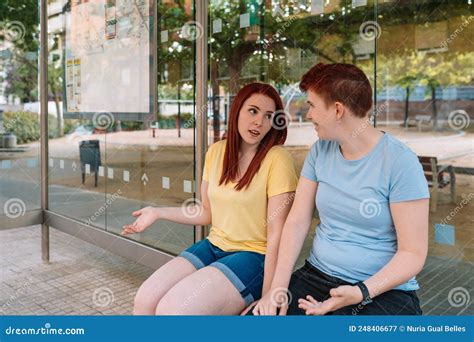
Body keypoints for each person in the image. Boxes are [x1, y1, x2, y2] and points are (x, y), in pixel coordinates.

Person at [251, 63, 429, 316]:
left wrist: (361, 291)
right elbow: (297, 221)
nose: (308, 114)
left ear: (337, 110)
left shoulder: (401, 163)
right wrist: (276, 289)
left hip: (382, 293)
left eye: (312, 105)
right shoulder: (319, 151)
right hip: (317, 278)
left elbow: (413, 253)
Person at [122, 82, 298, 315]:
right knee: (145, 299)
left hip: (254, 256)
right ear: (237, 110)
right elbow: (206, 212)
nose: (259, 122)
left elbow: (278, 233)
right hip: (214, 246)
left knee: (173, 310)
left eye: (268, 116)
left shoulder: (278, 158)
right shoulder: (216, 151)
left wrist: (268, 295)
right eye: (253, 111)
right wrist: (157, 212)